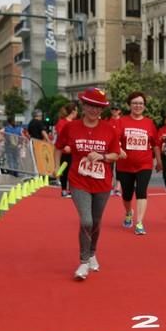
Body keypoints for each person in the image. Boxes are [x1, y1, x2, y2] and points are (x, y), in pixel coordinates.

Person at [54, 87, 120, 280]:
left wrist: (102, 156)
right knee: (86, 220)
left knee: (97, 222)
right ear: (83, 105)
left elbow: (116, 154)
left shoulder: (109, 129)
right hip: (78, 181)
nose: (94, 110)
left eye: (98, 107)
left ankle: (92, 253)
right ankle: (83, 262)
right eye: (90, 105)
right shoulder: (70, 127)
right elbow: (58, 147)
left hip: (102, 183)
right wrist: (56, 168)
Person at [117, 91, 160, 235]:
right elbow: (113, 140)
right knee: (127, 194)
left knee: (141, 191)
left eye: (140, 103)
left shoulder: (149, 123)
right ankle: (129, 212)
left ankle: (139, 222)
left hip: (144, 164)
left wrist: (159, 161)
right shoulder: (122, 121)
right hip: (125, 165)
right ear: (129, 105)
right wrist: (119, 149)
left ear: (144, 106)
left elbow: (155, 144)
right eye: (135, 103)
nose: (137, 106)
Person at [55, 103, 78, 198]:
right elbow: (61, 136)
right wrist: (66, 146)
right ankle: (64, 189)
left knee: (73, 171)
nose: (77, 113)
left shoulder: (76, 123)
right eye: (76, 110)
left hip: (74, 151)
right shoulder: (62, 122)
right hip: (64, 151)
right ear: (73, 111)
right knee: (64, 170)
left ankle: (72, 190)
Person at [108, 103, 124, 196]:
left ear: (119, 111)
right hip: (110, 148)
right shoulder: (108, 122)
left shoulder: (122, 122)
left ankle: (118, 187)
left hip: (120, 148)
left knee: (119, 168)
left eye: (116, 109)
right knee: (109, 168)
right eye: (113, 109)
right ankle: (110, 186)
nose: (114, 111)